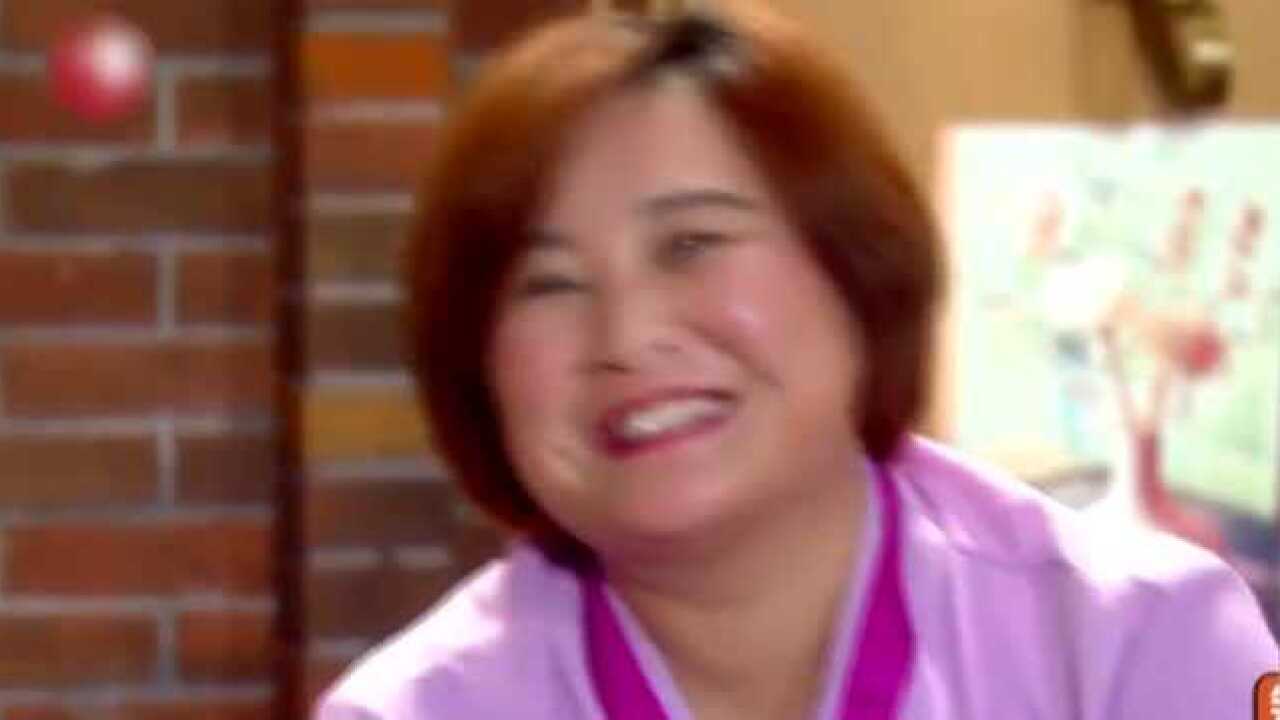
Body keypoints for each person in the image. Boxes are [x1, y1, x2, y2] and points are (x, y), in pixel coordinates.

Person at [314, 2, 1278, 718]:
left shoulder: (1142, 643)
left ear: (853, 265)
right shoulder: (414, 711)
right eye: (549, 283)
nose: (628, 337)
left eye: (692, 243)